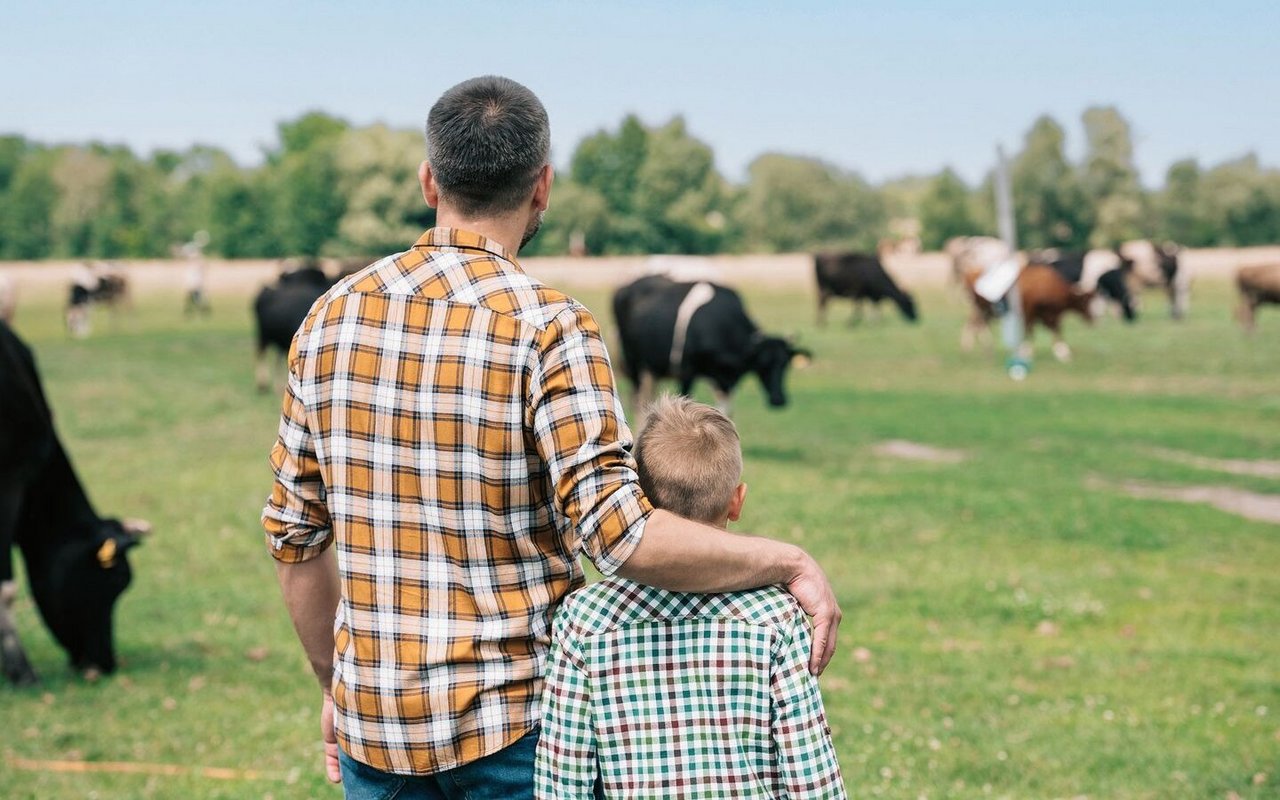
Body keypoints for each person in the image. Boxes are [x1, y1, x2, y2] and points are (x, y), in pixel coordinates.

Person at [262, 75, 841, 800]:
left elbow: (294, 538)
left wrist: (334, 686)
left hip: (373, 733)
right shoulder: (552, 328)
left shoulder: (328, 319)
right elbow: (620, 536)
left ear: (429, 180)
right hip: (523, 736)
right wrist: (787, 561)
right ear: (543, 187)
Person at [536, 395, 847, 799]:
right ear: (737, 501)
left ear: (638, 496)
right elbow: (811, 772)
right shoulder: (778, 616)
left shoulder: (583, 619)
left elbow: (563, 775)